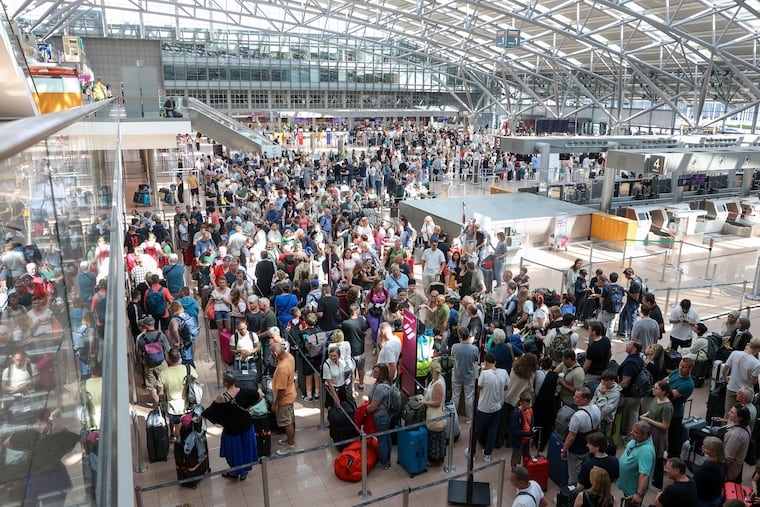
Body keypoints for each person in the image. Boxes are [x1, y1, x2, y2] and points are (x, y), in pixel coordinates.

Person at [197, 371, 261, 480]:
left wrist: (197, 418)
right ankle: (244, 471)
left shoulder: (222, 398)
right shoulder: (245, 391)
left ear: (225, 383)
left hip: (232, 430)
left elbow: (210, 411)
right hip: (246, 425)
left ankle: (235, 472)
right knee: (246, 449)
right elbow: (260, 396)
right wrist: (249, 406)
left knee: (234, 453)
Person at [466, 353, 508, 462]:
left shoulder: (485, 374)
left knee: (475, 430)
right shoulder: (503, 372)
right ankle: (487, 453)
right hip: (497, 407)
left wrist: (481, 372)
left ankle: (472, 452)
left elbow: (478, 386)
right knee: (493, 430)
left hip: (484, 408)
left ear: (486, 362)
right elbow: (506, 387)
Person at [561, 387, 602, 486]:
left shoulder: (577, 416)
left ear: (585, 400)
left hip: (576, 449)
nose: (574, 398)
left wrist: (564, 450)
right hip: (589, 447)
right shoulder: (596, 409)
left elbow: (571, 437)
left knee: (573, 475)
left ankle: (572, 495)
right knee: (586, 470)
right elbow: (598, 427)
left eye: (577, 397)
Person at [158, 348, 198, 441]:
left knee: (177, 426)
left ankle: (180, 443)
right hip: (189, 403)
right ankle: (189, 444)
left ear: (168, 359)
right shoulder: (189, 368)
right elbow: (195, 382)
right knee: (189, 425)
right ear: (179, 357)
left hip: (173, 407)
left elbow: (160, 393)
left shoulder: (163, 374)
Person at [639, 380, 673, 489]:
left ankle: (657, 483)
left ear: (663, 392)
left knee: (658, 459)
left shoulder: (667, 406)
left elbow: (665, 425)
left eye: (656, 388)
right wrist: (646, 415)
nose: (653, 389)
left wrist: (648, 420)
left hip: (658, 434)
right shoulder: (657, 398)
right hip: (651, 431)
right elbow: (652, 410)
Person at [616, 421, 655, 506]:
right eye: (632, 430)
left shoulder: (646, 451)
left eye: (635, 432)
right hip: (628, 487)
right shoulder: (637, 440)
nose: (631, 433)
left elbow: (644, 475)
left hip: (633, 493)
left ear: (645, 435)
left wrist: (639, 494)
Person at [664, 357, 695, 459]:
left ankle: (672, 459)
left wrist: (666, 387)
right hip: (665, 408)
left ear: (690, 369)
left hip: (674, 414)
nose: (680, 368)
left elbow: (671, 395)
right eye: (680, 365)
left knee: (672, 439)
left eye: (684, 367)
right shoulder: (676, 372)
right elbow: (663, 382)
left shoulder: (688, 384)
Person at [136, 316, 171, 406]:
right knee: (165, 382)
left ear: (146, 325)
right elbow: (167, 349)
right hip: (161, 362)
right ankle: (166, 400)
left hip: (149, 364)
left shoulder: (141, 338)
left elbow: (139, 353)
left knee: (151, 386)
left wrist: (143, 362)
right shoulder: (161, 335)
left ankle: (158, 404)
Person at [721, 336, 760, 416]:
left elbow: (724, 370)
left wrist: (726, 379)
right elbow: (753, 382)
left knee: (728, 413)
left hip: (732, 387)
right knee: (743, 416)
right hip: (745, 392)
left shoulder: (735, 353)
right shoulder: (756, 363)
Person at [271, 340, 297, 455]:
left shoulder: (282, 368)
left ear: (275, 355)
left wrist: (276, 404)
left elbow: (281, 389)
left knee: (287, 422)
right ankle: (290, 439)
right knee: (291, 419)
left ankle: (290, 445)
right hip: (291, 394)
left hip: (284, 399)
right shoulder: (289, 357)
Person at [617, 340, 646, 441]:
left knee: (619, 413)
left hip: (628, 394)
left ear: (634, 348)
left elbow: (626, 382)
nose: (626, 345)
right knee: (633, 415)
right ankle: (632, 438)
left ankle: (616, 434)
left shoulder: (630, 363)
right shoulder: (640, 360)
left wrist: (615, 390)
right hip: (637, 394)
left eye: (629, 344)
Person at [366, 363, 393, 470]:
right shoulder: (383, 383)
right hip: (384, 415)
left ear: (382, 374)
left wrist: (364, 410)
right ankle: (387, 459)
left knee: (382, 439)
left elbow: (373, 407)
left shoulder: (381, 388)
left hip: (381, 417)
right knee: (386, 437)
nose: (374, 373)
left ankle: (384, 462)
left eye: (376, 372)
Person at [451, 326, 479, 424]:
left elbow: (452, 357)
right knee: (469, 398)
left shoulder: (455, 347)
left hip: (457, 374)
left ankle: (453, 418)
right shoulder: (475, 349)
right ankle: (469, 419)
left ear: (459, 336)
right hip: (469, 376)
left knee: (455, 397)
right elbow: (476, 361)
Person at [420, 361, 447, 466]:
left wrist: (424, 402)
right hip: (437, 414)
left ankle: (434, 459)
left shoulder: (437, 384)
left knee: (434, 439)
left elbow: (437, 403)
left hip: (435, 416)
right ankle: (437, 457)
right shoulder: (438, 380)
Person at [692, 436, 727, 507]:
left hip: (704, 500)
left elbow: (695, 482)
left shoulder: (707, 467)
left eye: (705, 447)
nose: (702, 447)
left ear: (713, 451)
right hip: (716, 495)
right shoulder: (724, 461)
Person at [723, 403, 752, 483]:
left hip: (729, 471)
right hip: (737, 466)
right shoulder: (746, 426)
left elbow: (728, 458)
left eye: (732, 413)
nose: (729, 413)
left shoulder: (736, 436)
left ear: (740, 418)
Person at [590, 370, 622, 435]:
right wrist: (591, 407)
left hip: (604, 421)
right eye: (602, 380)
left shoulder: (615, 394)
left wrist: (602, 395)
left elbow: (605, 411)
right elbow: (595, 396)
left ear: (612, 381)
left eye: (606, 381)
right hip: (594, 415)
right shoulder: (601, 384)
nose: (603, 383)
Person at [582, 321, 611, 386]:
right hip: (603, 371)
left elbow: (586, 366)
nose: (588, 331)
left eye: (589, 329)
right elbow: (610, 354)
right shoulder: (606, 340)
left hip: (592, 373)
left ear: (594, 332)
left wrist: (582, 373)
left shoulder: (592, 347)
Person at [510, 390, 535, 467]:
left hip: (527, 440)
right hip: (519, 440)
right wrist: (530, 433)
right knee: (515, 458)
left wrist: (532, 433)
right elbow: (516, 431)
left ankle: (525, 470)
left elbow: (532, 420)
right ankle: (514, 472)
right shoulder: (516, 414)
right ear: (521, 402)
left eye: (530, 403)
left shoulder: (530, 410)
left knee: (526, 455)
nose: (529, 405)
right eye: (527, 403)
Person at [619, 267, 644, 338]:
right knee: (623, 316)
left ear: (629, 274)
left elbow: (636, 297)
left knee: (632, 321)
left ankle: (633, 335)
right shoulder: (636, 279)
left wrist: (627, 292)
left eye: (626, 275)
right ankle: (623, 332)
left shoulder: (636, 283)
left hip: (632, 305)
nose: (625, 277)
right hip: (629, 303)